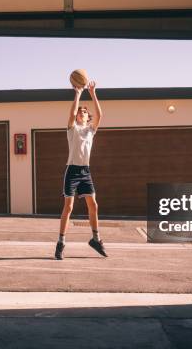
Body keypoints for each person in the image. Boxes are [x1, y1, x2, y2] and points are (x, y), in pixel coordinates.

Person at [54, 80, 107, 260]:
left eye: (84, 111)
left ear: (87, 117)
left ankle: (95, 239)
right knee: (68, 207)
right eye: (79, 111)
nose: (81, 113)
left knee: (94, 205)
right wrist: (77, 93)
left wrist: (92, 92)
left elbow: (100, 114)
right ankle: (61, 243)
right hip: (72, 171)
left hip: (85, 172)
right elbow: (71, 112)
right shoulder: (72, 130)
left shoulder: (91, 130)